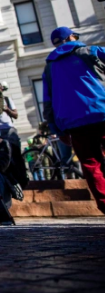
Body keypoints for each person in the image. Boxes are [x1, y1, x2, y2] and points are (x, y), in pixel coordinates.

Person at [43, 26, 105, 214]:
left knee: (90, 164)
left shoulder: (49, 67)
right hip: (102, 113)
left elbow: (48, 102)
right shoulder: (90, 51)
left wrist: (57, 129)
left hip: (73, 123)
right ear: (71, 37)